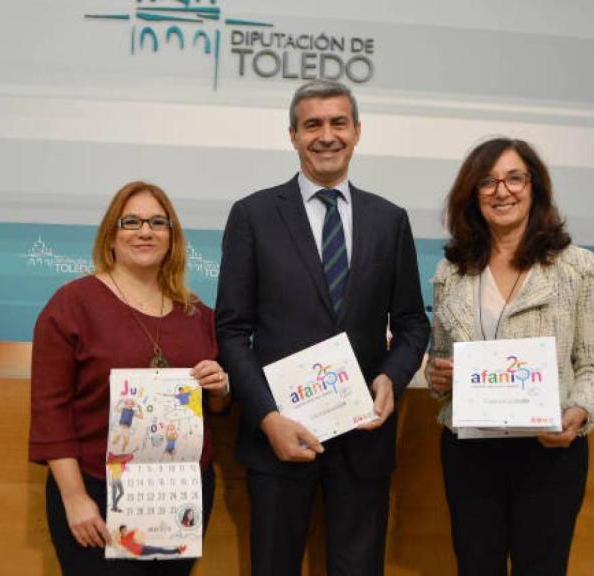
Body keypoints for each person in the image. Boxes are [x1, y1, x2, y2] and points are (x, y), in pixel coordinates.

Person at [215, 79, 430, 576]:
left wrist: (390, 377)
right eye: (312, 124)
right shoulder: (253, 215)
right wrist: (268, 418)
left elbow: (413, 323)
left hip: (363, 439)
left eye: (338, 123)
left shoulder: (389, 219)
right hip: (279, 439)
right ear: (292, 134)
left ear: (357, 132)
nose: (326, 135)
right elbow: (231, 330)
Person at [425, 138, 594, 575]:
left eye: (514, 178)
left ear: (535, 187)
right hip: (470, 452)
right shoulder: (451, 272)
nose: (501, 191)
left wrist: (580, 412)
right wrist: (439, 376)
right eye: (487, 182)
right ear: (472, 195)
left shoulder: (576, 267)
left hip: (548, 451)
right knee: (476, 566)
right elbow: (437, 362)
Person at [29, 181, 231, 575]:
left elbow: (218, 405)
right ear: (111, 236)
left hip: (178, 496)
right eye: (132, 221)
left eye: (158, 222)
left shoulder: (198, 315)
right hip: (97, 493)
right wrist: (74, 498)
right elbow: (49, 409)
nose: (145, 231)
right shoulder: (72, 304)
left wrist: (221, 386)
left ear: (171, 239)